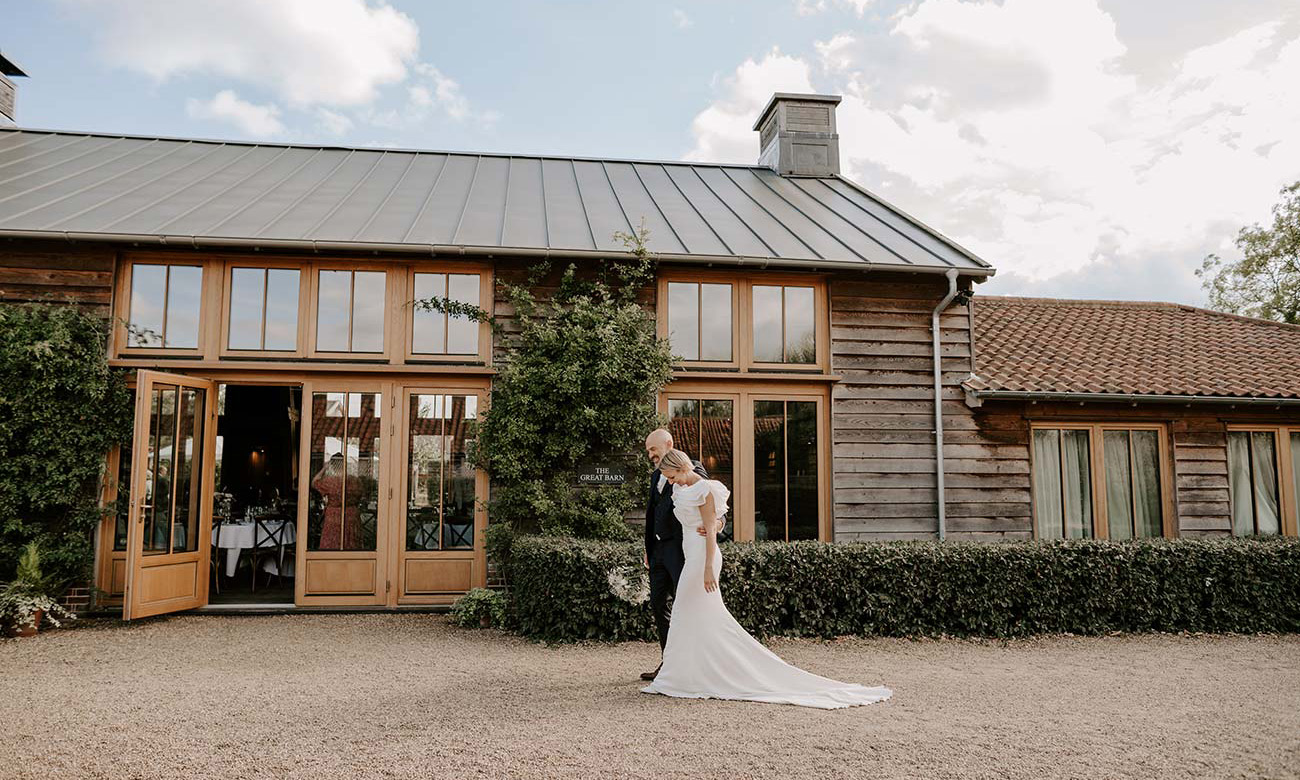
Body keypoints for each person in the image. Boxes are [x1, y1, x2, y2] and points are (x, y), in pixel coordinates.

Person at [641, 448, 893, 710]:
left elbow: (713, 531)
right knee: (693, 615)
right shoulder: (680, 489)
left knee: (686, 611)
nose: (671, 482)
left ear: (681, 468)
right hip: (690, 554)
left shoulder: (705, 489)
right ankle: (689, 674)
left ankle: (689, 675)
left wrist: (707, 568)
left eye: (672, 476)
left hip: (704, 558)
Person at [642, 428, 708, 682]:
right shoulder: (654, 476)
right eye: (648, 451)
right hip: (657, 553)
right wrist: (648, 548)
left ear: (668, 444)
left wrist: (718, 524)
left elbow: (709, 498)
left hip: (681, 552)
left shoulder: (692, 468)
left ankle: (693, 663)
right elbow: (653, 514)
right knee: (659, 604)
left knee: (686, 606)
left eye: (653, 449)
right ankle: (670, 662)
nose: (650, 454)